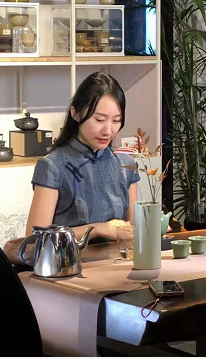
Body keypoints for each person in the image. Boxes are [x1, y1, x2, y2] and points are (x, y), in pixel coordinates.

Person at [25, 72, 140, 241]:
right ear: (75, 113)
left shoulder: (125, 164)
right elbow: (35, 239)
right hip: (71, 258)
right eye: (99, 120)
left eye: (116, 121)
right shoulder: (53, 166)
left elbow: (134, 229)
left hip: (119, 257)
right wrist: (96, 229)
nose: (108, 130)